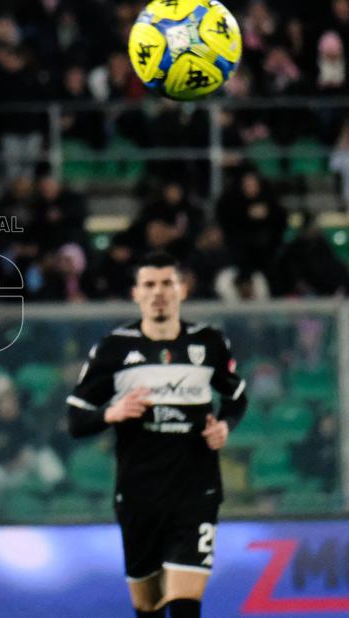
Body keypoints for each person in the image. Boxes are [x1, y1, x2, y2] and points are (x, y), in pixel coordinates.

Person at [66, 251, 249, 618]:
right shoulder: (113, 348)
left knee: (184, 604)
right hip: (139, 492)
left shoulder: (209, 343)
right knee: (148, 606)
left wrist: (225, 425)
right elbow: (76, 419)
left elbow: (237, 397)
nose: (159, 292)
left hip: (196, 489)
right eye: (149, 284)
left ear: (182, 289)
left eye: (167, 283)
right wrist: (112, 413)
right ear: (136, 293)